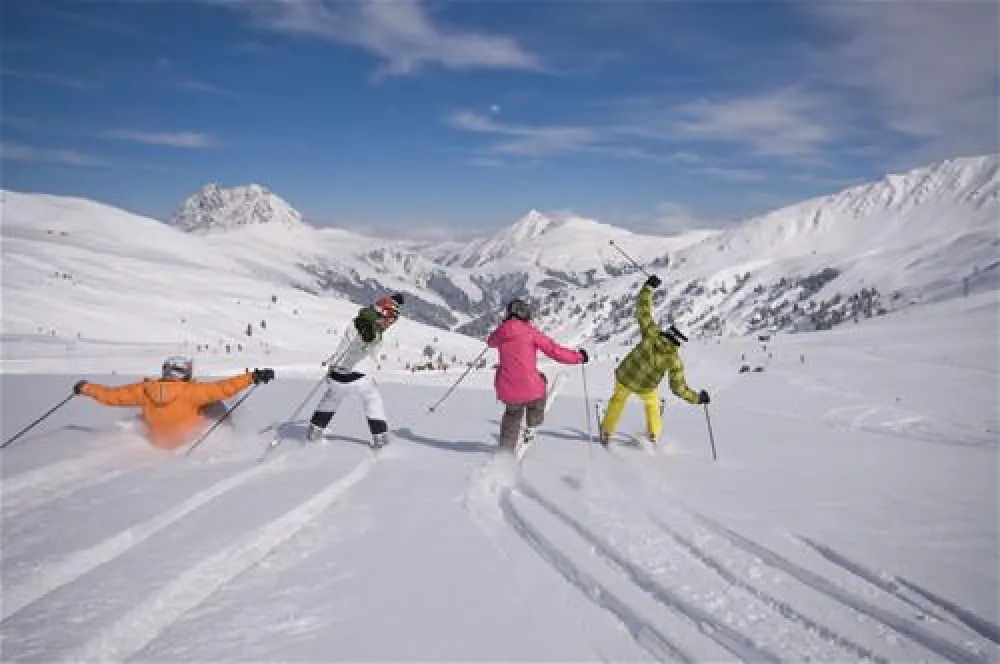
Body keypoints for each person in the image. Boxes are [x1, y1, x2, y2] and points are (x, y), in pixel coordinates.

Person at [73, 356, 275, 449]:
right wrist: (253, 377)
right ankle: (228, 438)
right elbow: (225, 388)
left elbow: (112, 396)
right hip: (187, 440)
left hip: (158, 441)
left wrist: (86, 388)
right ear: (185, 373)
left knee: (141, 413)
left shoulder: (144, 390)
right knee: (216, 403)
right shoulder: (193, 391)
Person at [599, 275, 709, 447]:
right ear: (680, 341)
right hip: (646, 387)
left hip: (625, 376)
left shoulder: (652, 333)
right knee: (652, 405)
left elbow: (643, 311)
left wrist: (648, 287)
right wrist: (698, 398)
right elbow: (678, 389)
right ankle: (653, 435)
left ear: (670, 330)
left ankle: (606, 431)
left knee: (617, 401)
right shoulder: (674, 361)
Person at [487, 298, 588, 458]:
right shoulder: (531, 333)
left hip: (507, 391)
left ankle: (505, 453)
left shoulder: (500, 333)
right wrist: (578, 357)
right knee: (540, 384)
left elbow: (490, 342)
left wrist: (503, 327)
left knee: (511, 416)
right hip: (531, 390)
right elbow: (555, 351)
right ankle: (533, 423)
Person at [307, 293, 404, 448]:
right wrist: (369, 328)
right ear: (383, 314)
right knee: (372, 399)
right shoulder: (366, 324)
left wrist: (395, 301)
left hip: (337, 374)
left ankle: (315, 430)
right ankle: (380, 438)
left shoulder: (365, 320)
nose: (390, 324)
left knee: (332, 397)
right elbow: (368, 331)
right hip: (356, 374)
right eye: (390, 319)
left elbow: (371, 318)